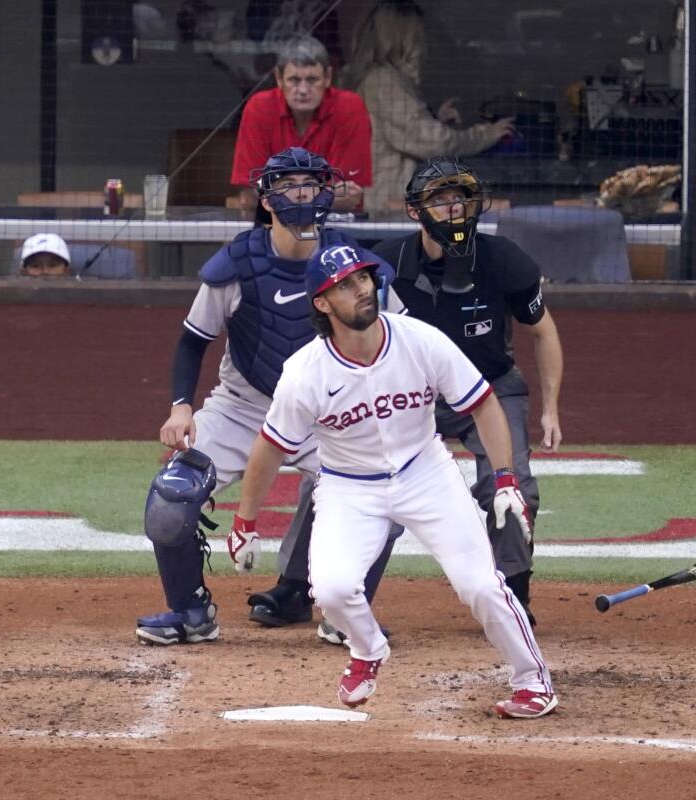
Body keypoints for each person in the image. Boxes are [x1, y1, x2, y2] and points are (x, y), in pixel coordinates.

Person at [224, 241, 558, 718]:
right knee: (334, 590)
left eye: (363, 278)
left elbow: (484, 402)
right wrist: (245, 521)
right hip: (348, 486)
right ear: (321, 303)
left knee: (480, 585)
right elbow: (271, 447)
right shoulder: (305, 374)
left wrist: (505, 479)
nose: (362, 288)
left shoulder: (420, 340)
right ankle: (368, 648)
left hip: (426, 474)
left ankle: (533, 681)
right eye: (345, 285)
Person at [248, 156, 562, 639]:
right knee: (333, 473)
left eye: (461, 197)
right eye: (441, 199)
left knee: (512, 482)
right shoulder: (384, 263)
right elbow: (331, 296)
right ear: (417, 212)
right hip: (409, 389)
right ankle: (294, 588)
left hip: (490, 384)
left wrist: (550, 408)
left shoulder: (506, 259)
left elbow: (544, 332)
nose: (454, 208)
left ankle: (512, 594)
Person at [135, 146, 404, 646]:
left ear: (327, 192)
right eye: (287, 185)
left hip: (330, 411)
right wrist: (180, 405)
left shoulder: (354, 263)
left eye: (310, 183)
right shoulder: (237, 262)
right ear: (266, 197)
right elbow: (194, 339)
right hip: (242, 405)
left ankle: (344, 613)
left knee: (384, 502)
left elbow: (399, 338)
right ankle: (190, 613)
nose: (301, 194)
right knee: (171, 497)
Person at [340, 0, 516, 213]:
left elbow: (402, 131)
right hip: (386, 208)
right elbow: (433, 142)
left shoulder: (374, 78)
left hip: (383, 203)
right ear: (404, 36)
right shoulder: (383, 81)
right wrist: (485, 135)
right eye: (418, 34)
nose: (423, 42)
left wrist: (435, 119)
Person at [231, 35, 371, 213]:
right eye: (294, 80)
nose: (303, 90)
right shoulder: (259, 107)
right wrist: (322, 195)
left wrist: (278, 193)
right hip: (271, 227)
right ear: (279, 79)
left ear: (328, 77)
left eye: (312, 80)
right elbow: (250, 195)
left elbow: (349, 197)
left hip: (335, 226)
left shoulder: (349, 107)